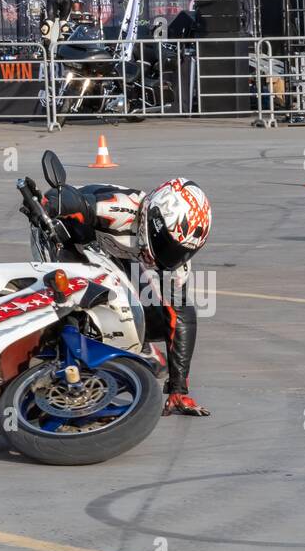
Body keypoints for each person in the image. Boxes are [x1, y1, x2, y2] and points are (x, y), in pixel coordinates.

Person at [44, 177, 213, 416]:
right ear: (153, 218)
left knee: (157, 319)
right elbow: (71, 199)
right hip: (69, 236)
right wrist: (50, 203)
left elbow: (182, 317)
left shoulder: (175, 261)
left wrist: (178, 388)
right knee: (76, 305)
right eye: (167, 244)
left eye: (180, 251)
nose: (171, 256)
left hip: (118, 253)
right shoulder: (120, 209)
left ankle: (139, 344)